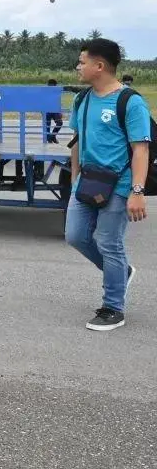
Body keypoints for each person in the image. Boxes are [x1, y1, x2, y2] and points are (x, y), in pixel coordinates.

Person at [65, 38, 147, 332]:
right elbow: (76, 142)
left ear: (99, 66)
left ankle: (114, 307)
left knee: (109, 243)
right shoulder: (82, 99)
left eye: (82, 62)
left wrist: (137, 192)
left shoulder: (130, 102)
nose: (78, 67)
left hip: (120, 184)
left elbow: (141, 150)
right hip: (86, 182)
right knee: (75, 235)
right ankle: (121, 272)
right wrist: (74, 177)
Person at [45, 78, 64, 144]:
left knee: (60, 123)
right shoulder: (44, 91)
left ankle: (52, 136)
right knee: (47, 125)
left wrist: (60, 111)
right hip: (47, 110)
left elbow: (59, 101)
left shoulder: (56, 91)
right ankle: (49, 138)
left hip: (55, 110)